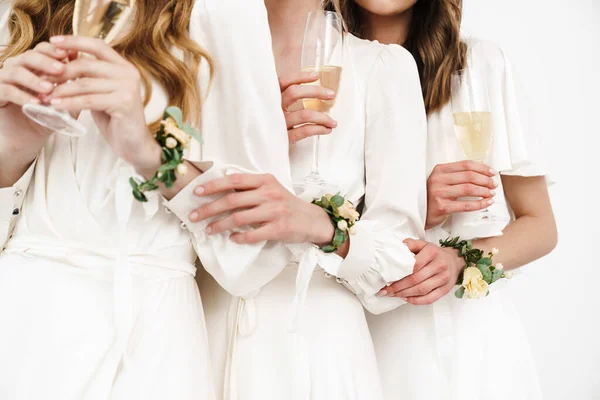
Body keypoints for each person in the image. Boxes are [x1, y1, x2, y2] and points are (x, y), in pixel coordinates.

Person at [0, 0, 314, 398]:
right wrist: (14, 142)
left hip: (144, 331)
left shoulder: (226, 11)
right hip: (20, 317)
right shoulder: (24, 10)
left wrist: (150, 155)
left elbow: (256, 254)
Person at [319, 1, 557, 399]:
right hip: (364, 337)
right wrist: (413, 205)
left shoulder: (481, 65)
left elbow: (540, 226)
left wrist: (459, 260)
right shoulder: (325, 70)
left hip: (474, 345)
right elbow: (301, 217)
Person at [191, 0, 428, 398]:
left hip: (318, 348)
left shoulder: (381, 68)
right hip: (201, 334)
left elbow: (398, 265)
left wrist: (322, 228)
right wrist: (265, 145)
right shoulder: (195, 58)